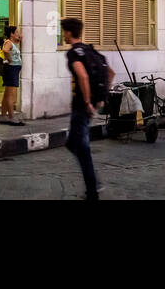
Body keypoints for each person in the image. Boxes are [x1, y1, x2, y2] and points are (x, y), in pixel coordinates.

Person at [62, 17, 112, 200]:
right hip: (88, 106)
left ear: (68, 32)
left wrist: (88, 102)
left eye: (63, 32)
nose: (63, 35)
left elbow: (82, 76)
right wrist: (101, 99)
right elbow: (110, 73)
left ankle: (93, 189)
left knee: (82, 148)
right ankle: (93, 185)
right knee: (72, 144)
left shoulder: (74, 53)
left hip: (81, 107)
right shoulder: (91, 51)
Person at [0, 26, 23, 126]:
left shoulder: (14, 42)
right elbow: (5, 50)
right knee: (10, 95)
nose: (19, 34)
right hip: (11, 69)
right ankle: (11, 117)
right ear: (12, 34)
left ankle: (3, 116)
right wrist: (9, 60)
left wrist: (19, 37)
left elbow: (20, 38)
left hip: (12, 69)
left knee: (6, 94)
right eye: (16, 32)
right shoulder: (8, 42)